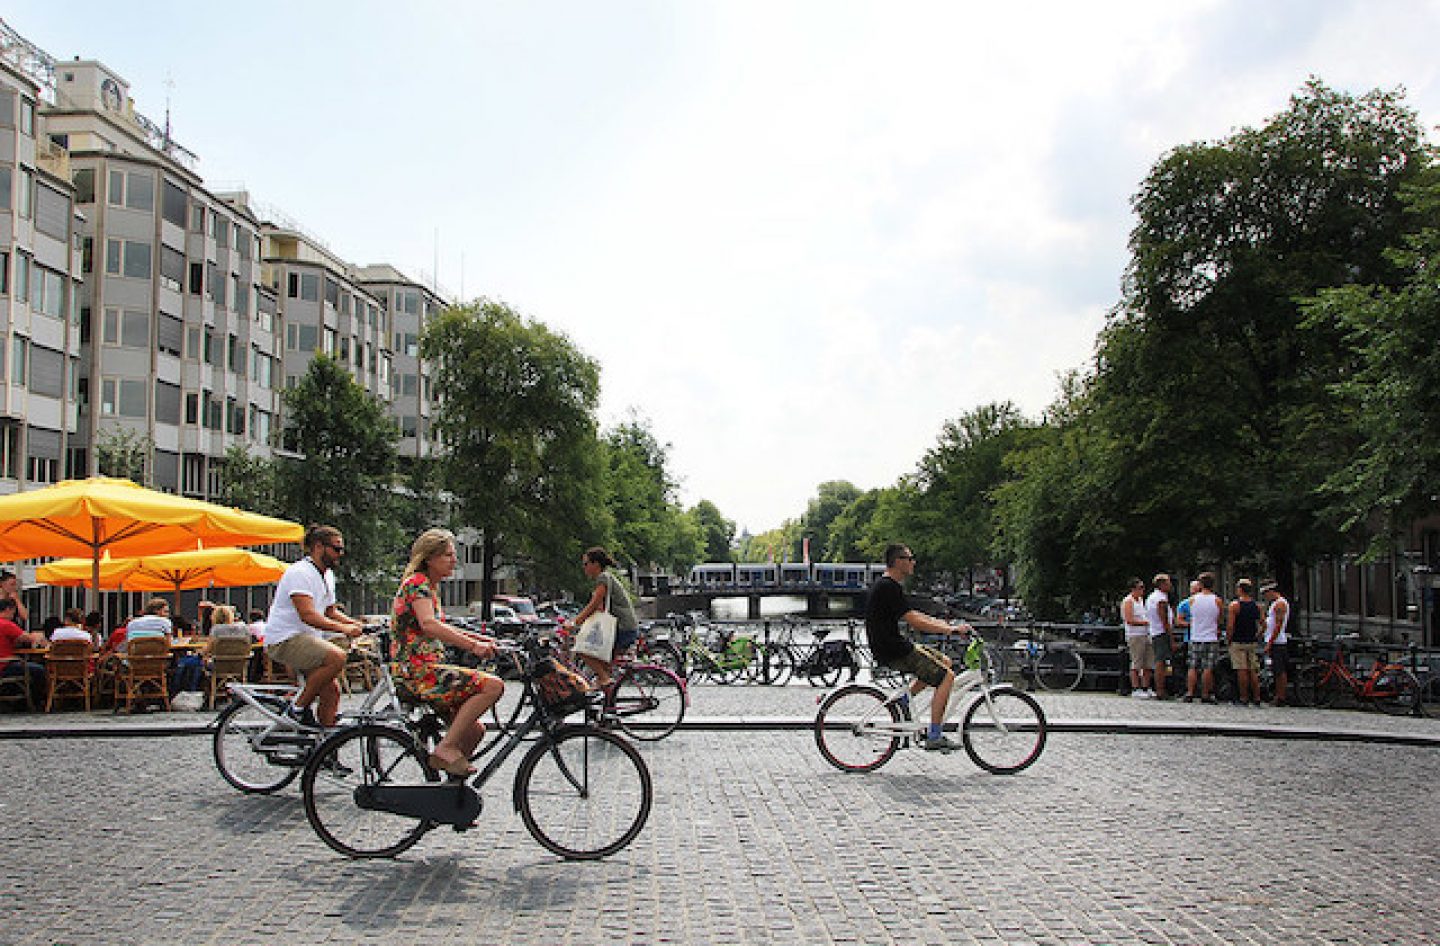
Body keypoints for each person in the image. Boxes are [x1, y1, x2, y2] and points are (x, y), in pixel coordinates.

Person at [390, 528, 503, 777]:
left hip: (426, 668)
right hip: (418, 672)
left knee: (474, 731)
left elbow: (439, 626)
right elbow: (430, 625)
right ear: (429, 558)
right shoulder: (417, 584)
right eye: (448, 555)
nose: (454, 561)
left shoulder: (428, 586)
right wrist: (474, 646)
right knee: (493, 686)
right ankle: (447, 747)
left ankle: (451, 798)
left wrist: (484, 639)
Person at [864, 543, 974, 752]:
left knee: (944, 661)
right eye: (910, 558)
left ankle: (904, 700)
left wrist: (947, 625)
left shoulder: (889, 585)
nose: (913, 562)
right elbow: (915, 621)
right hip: (893, 649)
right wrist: (950, 631)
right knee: (946, 677)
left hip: (892, 645)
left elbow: (913, 613)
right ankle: (934, 735)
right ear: (898, 562)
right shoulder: (889, 587)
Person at [264, 525, 366, 729]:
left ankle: (324, 750)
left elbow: (330, 611)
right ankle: (297, 709)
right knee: (336, 657)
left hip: (306, 638)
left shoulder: (327, 575)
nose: (341, 554)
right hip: (285, 638)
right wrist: (344, 629)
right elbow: (308, 614)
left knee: (332, 692)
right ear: (318, 546)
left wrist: (357, 624)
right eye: (336, 549)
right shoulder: (300, 573)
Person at [566, 547, 639, 689]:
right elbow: (598, 609)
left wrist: (575, 623)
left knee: (582, 649)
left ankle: (604, 679)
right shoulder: (606, 578)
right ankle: (606, 701)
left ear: (596, 564)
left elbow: (593, 604)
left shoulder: (603, 578)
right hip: (625, 627)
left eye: (586, 564)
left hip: (622, 628)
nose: (584, 568)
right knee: (602, 665)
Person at [1183, 572, 1225, 703]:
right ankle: (1205, 694)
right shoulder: (1217, 601)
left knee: (1193, 666)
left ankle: (1190, 692)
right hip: (1210, 636)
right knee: (1208, 668)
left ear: (1200, 584)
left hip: (1196, 635)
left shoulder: (1192, 600)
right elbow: (1220, 619)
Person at [0, 597, 46, 700]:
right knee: (40, 670)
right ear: (8, 609)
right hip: (3, 665)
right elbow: (28, 638)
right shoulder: (6, 624)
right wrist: (38, 635)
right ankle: (36, 700)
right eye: (13, 612)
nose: (13, 615)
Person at [1227, 579, 1263, 707]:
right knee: (1253, 669)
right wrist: (1257, 634)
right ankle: (1257, 697)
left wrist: (1229, 639)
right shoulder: (1257, 606)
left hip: (1238, 640)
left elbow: (1230, 625)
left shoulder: (1234, 606)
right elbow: (1263, 624)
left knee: (1241, 669)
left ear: (1240, 589)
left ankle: (1244, 697)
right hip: (1251, 641)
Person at [1122, 578, 1154, 699]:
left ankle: (1146, 686)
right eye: (1140, 588)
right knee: (1137, 661)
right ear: (1133, 589)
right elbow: (1129, 620)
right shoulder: (1128, 601)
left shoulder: (1141, 600)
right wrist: (1145, 623)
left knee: (1147, 662)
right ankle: (1136, 687)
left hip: (1145, 634)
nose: (1142, 590)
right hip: (1135, 635)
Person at [1146, 573, 1176, 699]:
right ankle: (1160, 690)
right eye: (1168, 583)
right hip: (1161, 633)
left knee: (1161, 661)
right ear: (1162, 584)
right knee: (1161, 662)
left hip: (1155, 631)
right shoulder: (1161, 600)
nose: (1170, 585)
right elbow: (1164, 620)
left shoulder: (1152, 597)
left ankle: (1160, 689)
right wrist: (1171, 638)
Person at [1261, 581, 1291, 706]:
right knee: (1275, 670)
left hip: (1278, 642)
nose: (1265, 597)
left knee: (1279, 670)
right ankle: (1278, 695)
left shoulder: (1280, 604)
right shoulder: (1275, 604)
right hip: (1273, 640)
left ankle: (1281, 696)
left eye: (1265, 594)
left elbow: (1278, 625)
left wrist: (1271, 641)